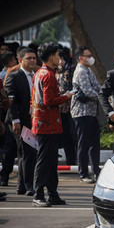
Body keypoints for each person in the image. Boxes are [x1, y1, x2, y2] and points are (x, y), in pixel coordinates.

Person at [31, 43, 75, 207]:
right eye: (58, 55)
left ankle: (53, 194)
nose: (60, 58)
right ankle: (38, 194)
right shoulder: (48, 75)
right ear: (51, 57)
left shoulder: (40, 73)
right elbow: (49, 101)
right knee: (44, 160)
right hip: (47, 124)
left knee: (49, 160)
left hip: (44, 123)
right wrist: (67, 96)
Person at [4, 47, 39, 195]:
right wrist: (15, 120)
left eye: (34, 58)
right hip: (18, 121)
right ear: (20, 60)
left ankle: (22, 185)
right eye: (28, 58)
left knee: (25, 152)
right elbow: (9, 101)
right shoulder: (14, 76)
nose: (32, 61)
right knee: (27, 152)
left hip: (32, 119)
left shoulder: (37, 75)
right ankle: (29, 186)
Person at [71, 46, 102, 183]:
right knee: (83, 143)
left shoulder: (88, 70)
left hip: (91, 111)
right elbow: (89, 91)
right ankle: (83, 173)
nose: (90, 58)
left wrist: (102, 94)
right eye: (88, 56)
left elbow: (98, 87)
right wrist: (103, 97)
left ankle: (96, 170)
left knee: (94, 142)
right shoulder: (81, 72)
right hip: (82, 113)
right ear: (80, 58)